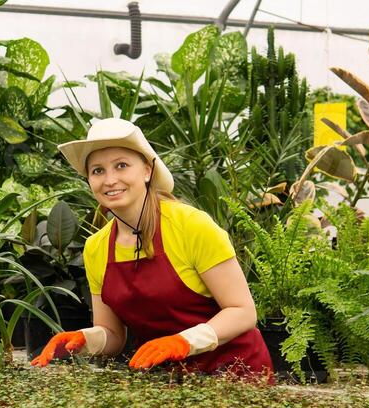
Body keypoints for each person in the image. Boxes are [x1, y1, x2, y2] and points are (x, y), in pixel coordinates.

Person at [31, 118, 271, 378]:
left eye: (121, 165)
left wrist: (183, 341)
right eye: (97, 171)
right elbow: (113, 335)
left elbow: (243, 312)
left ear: (147, 170)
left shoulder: (191, 225)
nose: (110, 180)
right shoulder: (96, 248)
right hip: (165, 381)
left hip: (236, 374)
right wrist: (82, 340)